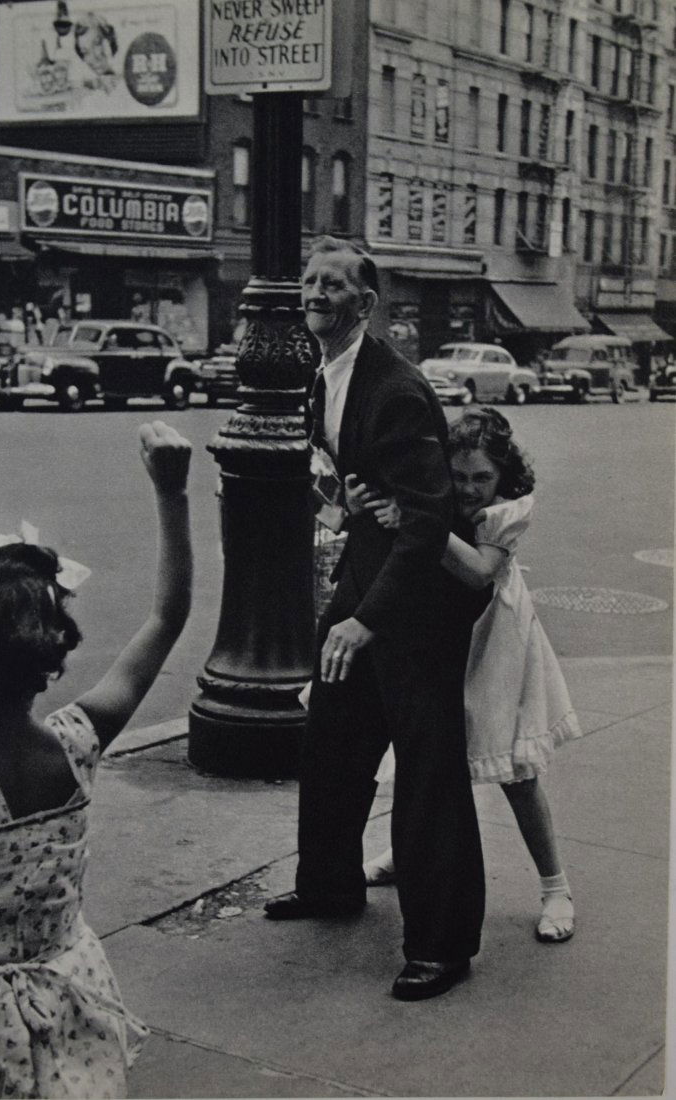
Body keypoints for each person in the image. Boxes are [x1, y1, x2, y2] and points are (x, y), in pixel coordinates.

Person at [0, 421, 193, 1099]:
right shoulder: (78, 742)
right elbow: (167, 616)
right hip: (71, 991)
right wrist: (172, 492)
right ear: (53, 656)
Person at [264, 236, 488, 1002]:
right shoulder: (325, 375)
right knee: (332, 736)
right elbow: (351, 481)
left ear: (365, 304)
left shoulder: (393, 388)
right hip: (367, 577)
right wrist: (348, 505)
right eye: (309, 281)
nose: (315, 293)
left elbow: (428, 521)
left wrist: (364, 623)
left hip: (416, 608)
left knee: (427, 774)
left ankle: (443, 946)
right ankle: (328, 885)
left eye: (333, 285)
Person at [352, 408, 581, 944]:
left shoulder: (507, 513)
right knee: (424, 752)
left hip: (496, 642)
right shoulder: (431, 494)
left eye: (483, 477)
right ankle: (404, 853)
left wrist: (419, 519)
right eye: (459, 478)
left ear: (502, 477)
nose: (471, 488)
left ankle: (556, 887)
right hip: (441, 636)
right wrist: (361, 506)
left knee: (515, 771)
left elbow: (479, 572)